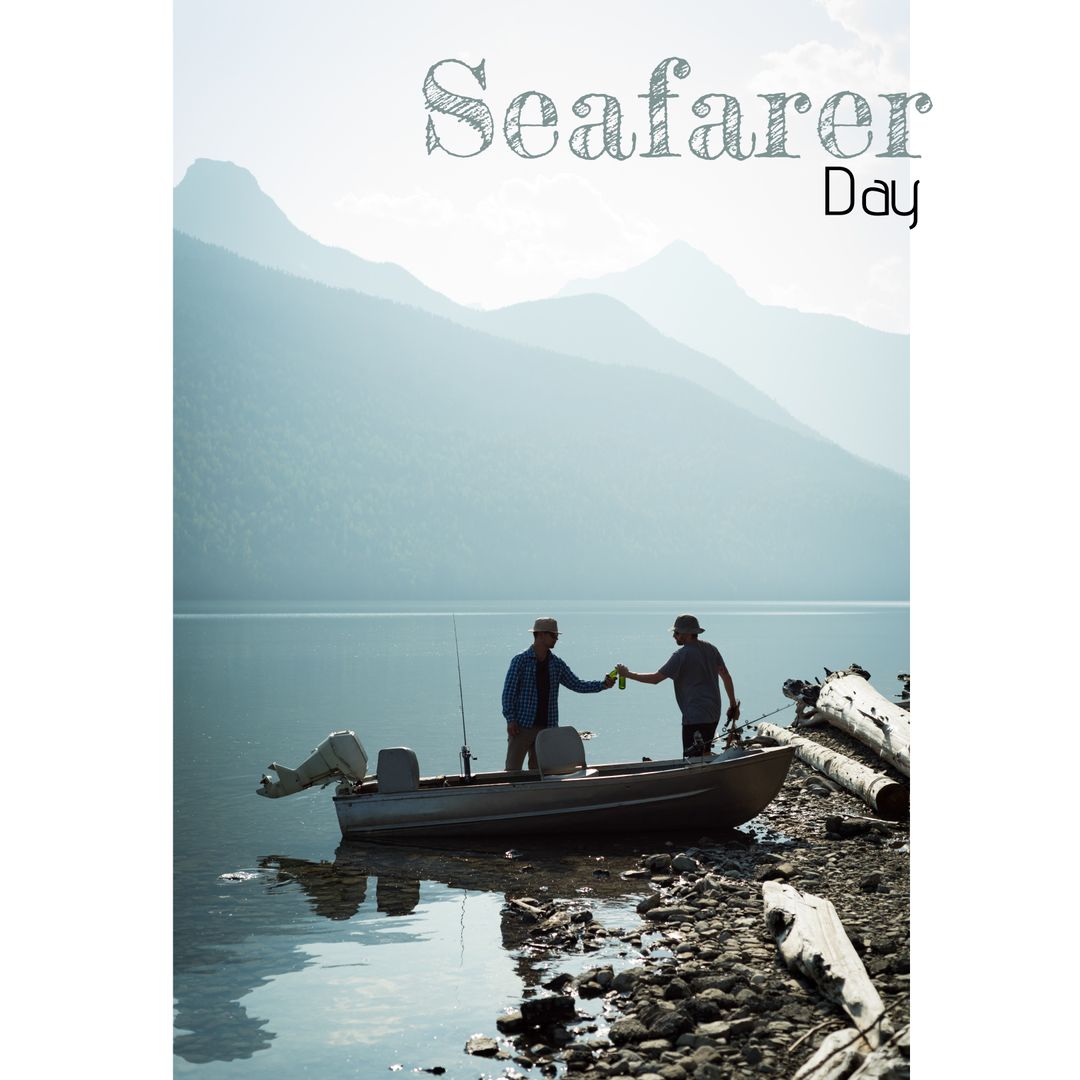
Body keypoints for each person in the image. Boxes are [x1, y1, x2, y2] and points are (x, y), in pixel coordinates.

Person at [616, 614, 739, 757]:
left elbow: (655, 679)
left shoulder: (681, 655)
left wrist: (627, 674)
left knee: (692, 759)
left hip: (695, 717)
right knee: (703, 753)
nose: (674, 635)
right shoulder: (711, 649)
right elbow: (726, 676)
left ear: (687, 633)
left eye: (677, 632)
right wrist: (733, 705)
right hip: (713, 713)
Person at [502, 617, 615, 770]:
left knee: (541, 772)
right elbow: (508, 693)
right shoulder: (520, 661)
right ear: (540, 635)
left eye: (556, 635)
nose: (556, 638)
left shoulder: (556, 664)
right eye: (553, 635)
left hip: (547, 729)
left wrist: (603, 685)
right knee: (512, 770)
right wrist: (511, 720)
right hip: (521, 727)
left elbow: (577, 684)